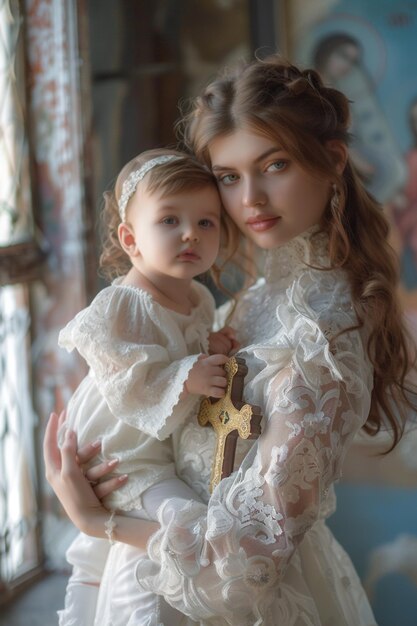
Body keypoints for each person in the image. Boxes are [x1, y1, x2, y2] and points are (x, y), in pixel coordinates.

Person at [44, 55, 417, 625]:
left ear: (332, 161)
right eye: (229, 177)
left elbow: (248, 565)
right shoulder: (256, 296)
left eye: (275, 165)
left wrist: (101, 522)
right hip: (154, 562)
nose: (251, 201)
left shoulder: (323, 332)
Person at [55, 147, 239, 625]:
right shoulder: (124, 304)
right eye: (169, 220)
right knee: (189, 525)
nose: (189, 234)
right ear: (130, 239)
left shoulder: (196, 295)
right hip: (122, 456)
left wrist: (207, 341)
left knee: (102, 563)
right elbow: (131, 386)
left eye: (206, 223)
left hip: (154, 450)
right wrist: (187, 375)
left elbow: (183, 343)